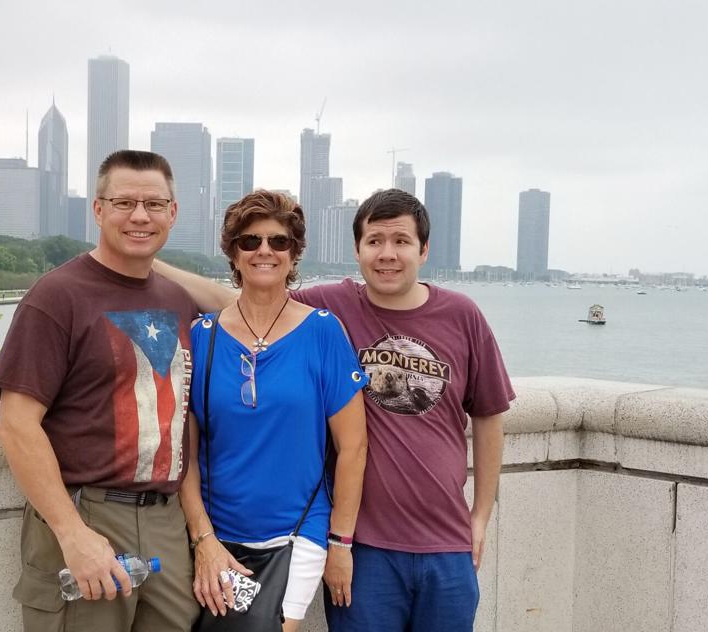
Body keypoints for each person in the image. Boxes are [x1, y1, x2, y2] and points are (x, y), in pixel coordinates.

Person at [155, 188, 514, 631]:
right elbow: (250, 299)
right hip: (364, 542)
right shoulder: (333, 306)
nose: (388, 254)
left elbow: (489, 413)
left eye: (401, 241)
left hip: (443, 537)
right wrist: (144, 256)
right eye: (374, 241)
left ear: (424, 249)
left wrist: (480, 515)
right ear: (357, 250)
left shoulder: (458, 315)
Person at [0, 150, 201, 632]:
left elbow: (253, 306)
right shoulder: (57, 296)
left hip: (166, 520)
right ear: (98, 209)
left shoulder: (178, 300)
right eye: (124, 202)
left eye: (154, 204)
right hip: (89, 512)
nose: (140, 216)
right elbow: (17, 426)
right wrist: (72, 534)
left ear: (174, 212)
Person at [179, 190, 368, 632]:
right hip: (219, 532)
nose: (265, 250)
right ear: (233, 252)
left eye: (278, 241)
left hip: (298, 529)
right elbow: (184, 453)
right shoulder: (201, 337)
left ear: (294, 252)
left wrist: (341, 543)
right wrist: (202, 536)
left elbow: (354, 447)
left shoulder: (323, 332)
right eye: (250, 241)